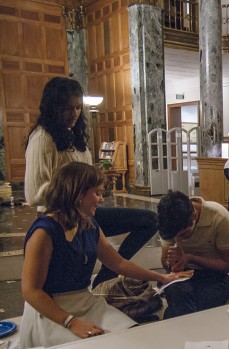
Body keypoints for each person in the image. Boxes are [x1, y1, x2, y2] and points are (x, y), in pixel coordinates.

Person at [19, 162, 180, 349]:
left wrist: (161, 277)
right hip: (50, 312)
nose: (101, 199)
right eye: (97, 193)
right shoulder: (44, 232)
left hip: (83, 302)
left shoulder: (89, 225)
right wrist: (71, 322)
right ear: (77, 193)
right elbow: (31, 291)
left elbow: (118, 263)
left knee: (130, 338)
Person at [24, 76, 158, 287]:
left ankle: (107, 276)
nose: (75, 113)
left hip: (84, 213)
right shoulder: (42, 138)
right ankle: (107, 275)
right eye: (68, 108)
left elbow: (82, 175)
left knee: (150, 220)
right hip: (61, 217)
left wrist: (97, 178)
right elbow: (34, 194)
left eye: (78, 107)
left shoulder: (75, 136)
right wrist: (76, 188)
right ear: (54, 107)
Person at [156, 190, 229, 319]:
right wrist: (172, 263)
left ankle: (175, 322)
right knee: (177, 293)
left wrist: (191, 258)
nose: (179, 240)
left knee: (202, 302)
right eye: (175, 236)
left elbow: (227, 266)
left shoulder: (219, 217)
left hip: (217, 274)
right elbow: (165, 262)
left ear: (194, 215)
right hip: (184, 274)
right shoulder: (168, 221)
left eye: (184, 234)